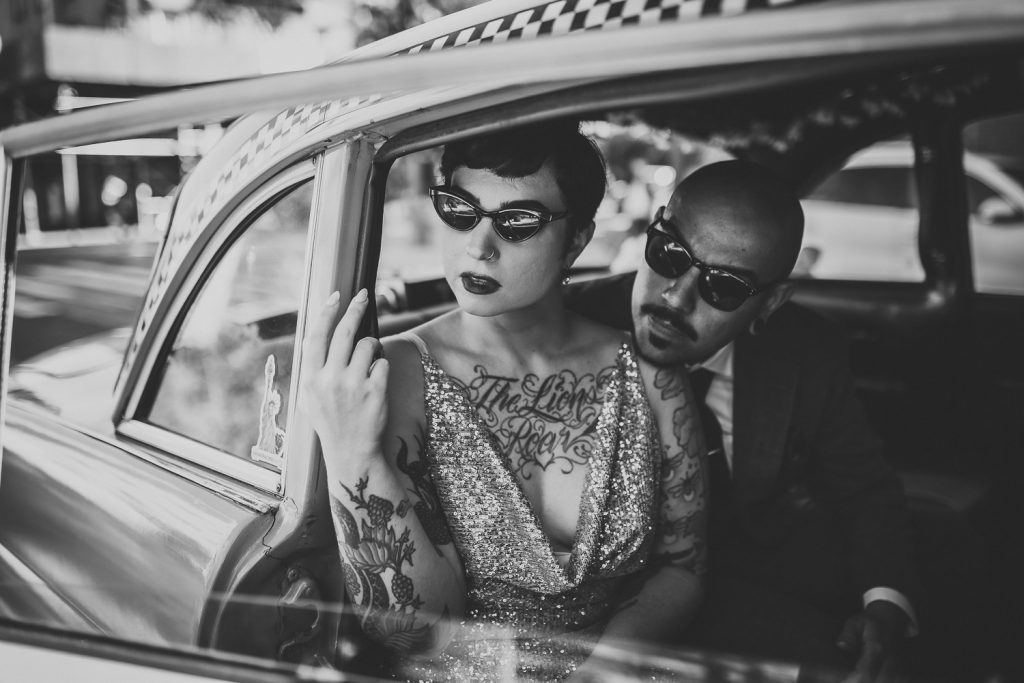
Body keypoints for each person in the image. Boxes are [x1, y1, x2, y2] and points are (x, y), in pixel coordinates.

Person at [301, 121, 708, 681]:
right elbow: (415, 629)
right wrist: (353, 455)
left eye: (517, 222)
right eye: (459, 210)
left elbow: (682, 567)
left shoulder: (648, 375)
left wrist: (601, 670)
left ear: (578, 240)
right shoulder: (393, 375)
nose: (478, 246)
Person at [568, 160, 923, 681]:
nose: (675, 296)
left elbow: (863, 488)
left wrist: (886, 606)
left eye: (725, 286)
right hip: (607, 611)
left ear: (772, 302)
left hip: (761, 576)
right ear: (653, 228)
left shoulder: (808, 352)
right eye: (669, 254)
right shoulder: (562, 325)